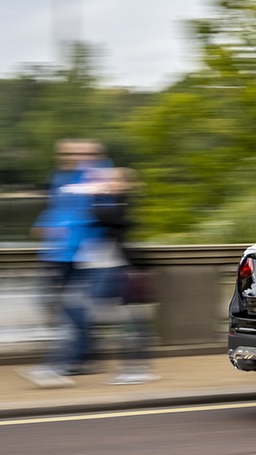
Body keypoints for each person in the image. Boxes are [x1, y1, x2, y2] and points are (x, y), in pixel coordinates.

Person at [21, 140, 107, 387]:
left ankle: (65, 363)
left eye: (75, 152)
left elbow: (98, 214)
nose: (68, 156)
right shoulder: (59, 177)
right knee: (49, 302)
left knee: (73, 310)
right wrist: (43, 222)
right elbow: (57, 207)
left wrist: (70, 230)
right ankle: (84, 357)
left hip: (85, 257)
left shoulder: (97, 176)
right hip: (58, 255)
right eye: (65, 152)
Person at [85, 167, 160, 385]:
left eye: (114, 180)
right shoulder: (119, 202)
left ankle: (139, 369)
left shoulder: (126, 203)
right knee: (131, 321)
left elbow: (109, 218)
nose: (110, 183)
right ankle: (135, 368)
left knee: (135, 322)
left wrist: (96, 196)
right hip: (123, 269)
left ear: (126, 183)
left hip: (133, 270)